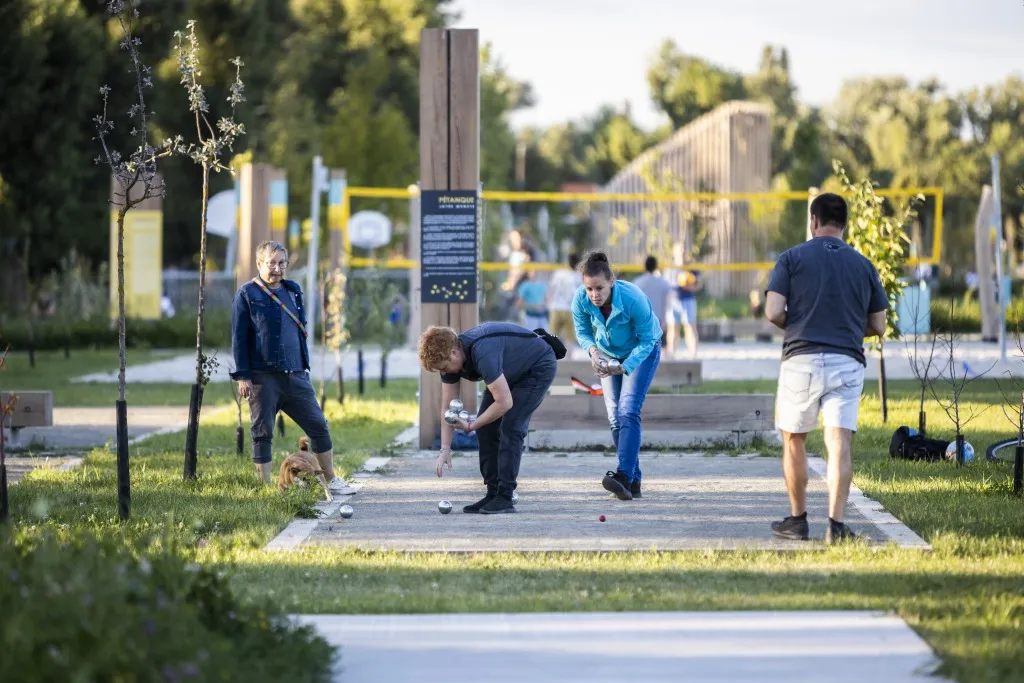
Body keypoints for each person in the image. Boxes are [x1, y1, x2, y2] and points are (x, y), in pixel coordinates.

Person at [764, 192, 888, 545]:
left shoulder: (791, 258)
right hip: (847, 361)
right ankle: (836, 525)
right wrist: (845, 327)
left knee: (794, 439)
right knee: (839, 444)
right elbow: (878, 325)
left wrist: (801, 324)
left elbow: (773, 311)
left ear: (813, 221)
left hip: (801, 360)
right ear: (844, 224)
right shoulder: (864, 265)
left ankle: (798, 520)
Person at [230, 240, 343, 493]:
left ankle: (331, 481)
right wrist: (243, 376)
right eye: (271, 263)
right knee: (263, 432)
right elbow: (238, 339)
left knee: (318, 425)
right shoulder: (247, 294)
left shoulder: (293, 291)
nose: (277, 269)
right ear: (259, 263)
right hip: (262, 377)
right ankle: (266, 487)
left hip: (296, 375)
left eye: (282, 263)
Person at [419, 321, 558, 515]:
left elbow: (505, 403)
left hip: (537, 367)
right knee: (486, 427)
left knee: (511, 426)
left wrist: (471, 425)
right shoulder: (450, 361)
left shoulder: (482, 352)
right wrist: (445, 448)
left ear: (453, 353)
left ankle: (505, 496)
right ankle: (493, 493)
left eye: (444, 367)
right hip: (508, 372)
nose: (445, 372)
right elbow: (448, 408)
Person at [571, 250, 662, 501]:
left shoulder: (633, 298)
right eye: (589, 289)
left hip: (641, 351)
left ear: (611, 281)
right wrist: (593, 353)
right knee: (614, 418)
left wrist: (625, 366)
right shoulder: (581, 299)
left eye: (599, 288)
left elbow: (648, 339)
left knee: (628, 410)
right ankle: (633, 481)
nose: (594, 295)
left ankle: (622, 475)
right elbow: (582, 331)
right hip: (608, 354)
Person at [546, 253, 583, 354]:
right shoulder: (578, 276)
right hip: (570, 308)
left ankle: (549, 356)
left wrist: (549, 303)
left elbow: (551, 290)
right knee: (570, 337)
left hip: (556, 307)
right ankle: (569, 358)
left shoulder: (559, 273)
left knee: (552, 335)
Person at [633, 255, 672, 344]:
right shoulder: (663, 282)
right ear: (656, 266)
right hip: (658, 320)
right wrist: (665, 319)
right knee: (660, 347)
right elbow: (666, 302)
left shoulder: (638, 282)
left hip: (642, 319)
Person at [666, 266, 702, 358]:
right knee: (673, 328)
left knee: (690, 326)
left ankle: (693, 354)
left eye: (684, 250)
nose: (682, 251)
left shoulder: (691, 266)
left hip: (688, 300)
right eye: (680, 250)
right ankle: (671, 353)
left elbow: (698, 285)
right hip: (673, 300)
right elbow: (665, 284)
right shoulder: (670, 266)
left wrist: (690, 287)